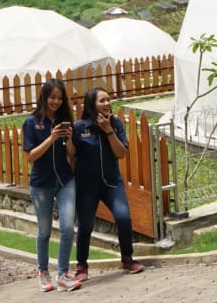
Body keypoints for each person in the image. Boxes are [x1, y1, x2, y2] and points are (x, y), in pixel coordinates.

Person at [72, 86, 145, 279]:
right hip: (87, 186)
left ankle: (127, 259)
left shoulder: (116, 123)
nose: (107, 103)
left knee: (123, 217)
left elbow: (121, 153)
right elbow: (72, 156)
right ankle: (81, 266)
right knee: (86, 225)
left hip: (112, 183)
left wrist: (108, 130)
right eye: (102, 101)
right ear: (91, 105)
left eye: (108, 100)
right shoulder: (80, 127)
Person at [22, 79, 81, 292]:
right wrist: (51, 137)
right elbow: (30, 156)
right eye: (52, 97)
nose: (56, 101)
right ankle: (43, 272)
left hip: (65, 180)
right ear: (45, 97)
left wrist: (70, 139)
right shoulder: (32, 122)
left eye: (59, 98)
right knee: (44, 230)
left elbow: (72, 154)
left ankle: (63, 274)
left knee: (67, 227)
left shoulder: (64, 120)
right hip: (41, 184)